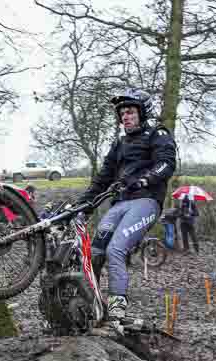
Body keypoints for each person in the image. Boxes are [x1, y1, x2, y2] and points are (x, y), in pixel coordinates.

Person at [74, 88, 177, 322]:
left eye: (130, 112)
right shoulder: (119, 144)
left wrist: (145, 179)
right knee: (95, 252)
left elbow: (166, 164)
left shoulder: (157, 134)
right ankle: (89, 303)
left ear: (142, 113)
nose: (125, 117)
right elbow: (101, 179)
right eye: (122, 114)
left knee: (115, 249)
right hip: (120, 203)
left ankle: (117, 310)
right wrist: (82, 205)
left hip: (146, 201)